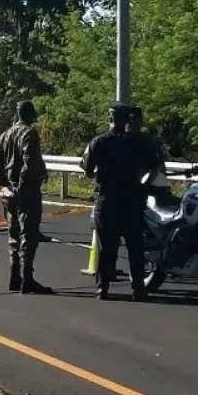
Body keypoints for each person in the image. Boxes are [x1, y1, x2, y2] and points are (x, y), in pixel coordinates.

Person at [80, 102, 160, 301]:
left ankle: (103, 288)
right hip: (132, 199)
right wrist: (144, 185)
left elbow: (87, 169)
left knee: (105, 247)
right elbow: (157, 167)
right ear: (127, 119)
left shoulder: (99, 142)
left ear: (110, 118)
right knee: (135, 247)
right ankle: (138, 289)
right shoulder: (139, 142)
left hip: (107, 200)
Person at [0, 100, 52, 294]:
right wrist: (22, 187)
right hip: (26, 192)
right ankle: (27, 278)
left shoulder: (5, 134)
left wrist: (3, 185)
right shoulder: (29, 134)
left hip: (9, 192)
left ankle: (14, 277)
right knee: (28, 234)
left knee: (13, 235)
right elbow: (29, 162)